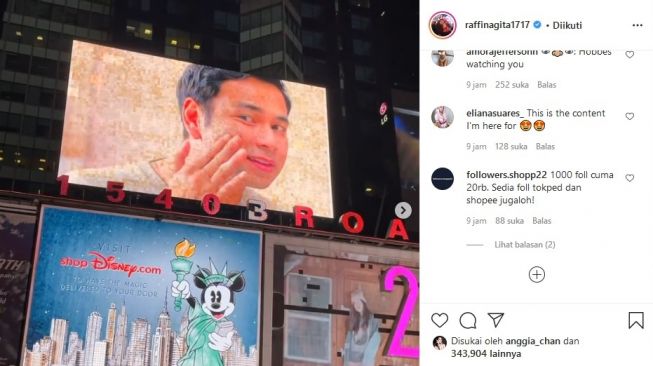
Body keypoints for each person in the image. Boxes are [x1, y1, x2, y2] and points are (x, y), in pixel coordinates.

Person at [66, 65, 292, 206]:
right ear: (193, 117)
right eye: (247, 118)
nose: (269, 142)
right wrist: (179, 209)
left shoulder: (271, 212)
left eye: (277, 127)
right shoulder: (87, 187)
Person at [343, 289, 380, 366]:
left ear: (363, 301)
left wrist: (366, 362)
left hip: (365, 362)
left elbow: (374, 342)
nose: (357, 305)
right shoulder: (352, 321)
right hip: (351, 362)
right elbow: (347, 343)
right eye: (354, 303)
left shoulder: (373, 320)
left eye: (358, 301)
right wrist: (346, 361)